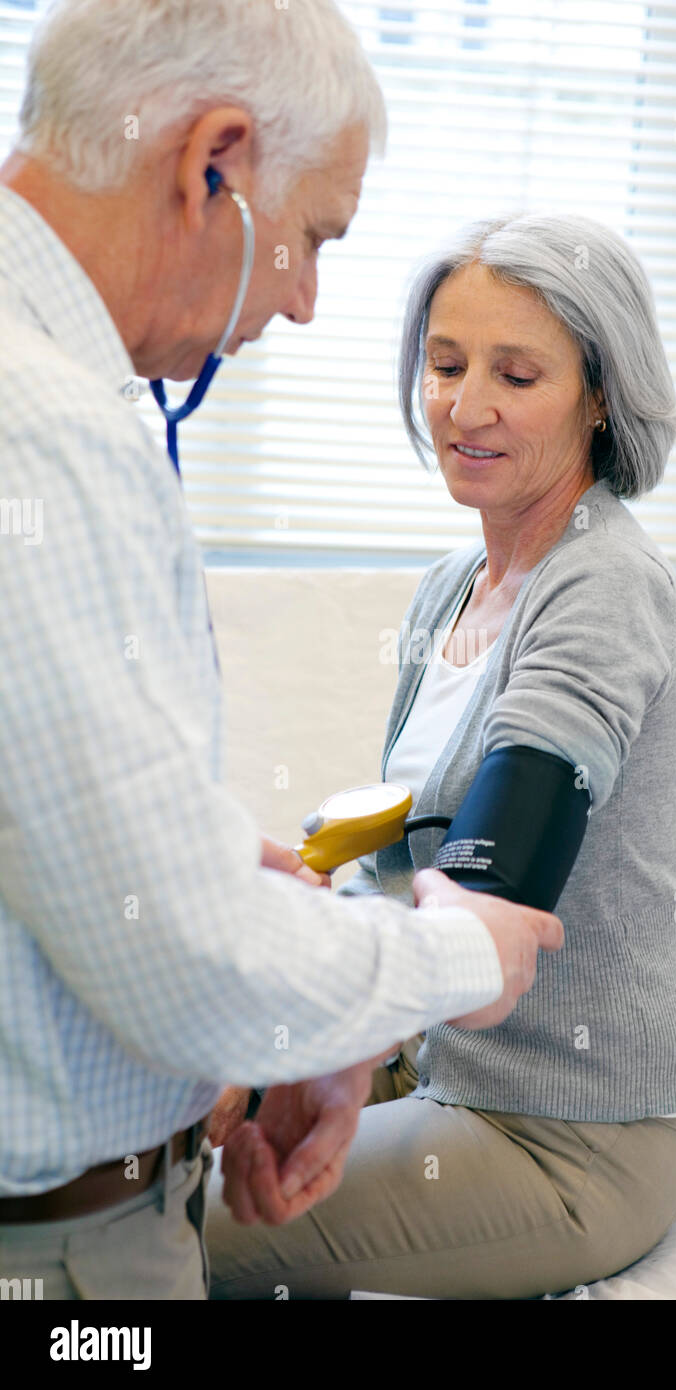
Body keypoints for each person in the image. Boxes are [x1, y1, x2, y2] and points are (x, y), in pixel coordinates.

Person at [0, 0, 563, 1301]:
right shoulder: (41, 432)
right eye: (309, 238)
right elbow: (182, 955)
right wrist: (458, 958)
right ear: (214, 161)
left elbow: (77, 835)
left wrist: (280, 983)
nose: (304, 304)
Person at [205, 213, 676, 1300]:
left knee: (177, 1226)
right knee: (125, 1148)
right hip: (437, 1070)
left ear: (598, 394)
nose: (462, 405)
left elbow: (488, 899)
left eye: (515, 373)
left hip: (570, 1134)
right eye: (443, 364)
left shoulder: (604, 583)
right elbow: (397, 859)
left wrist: (316, 1039)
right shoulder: (452, 585)